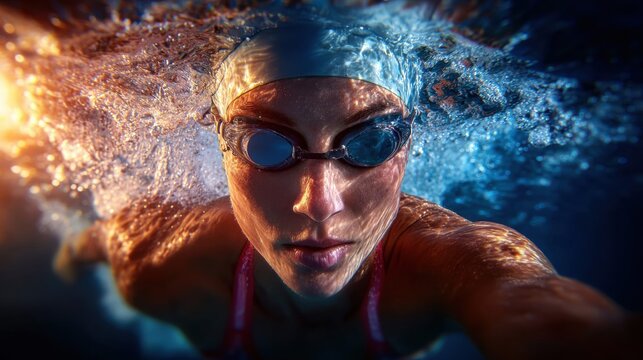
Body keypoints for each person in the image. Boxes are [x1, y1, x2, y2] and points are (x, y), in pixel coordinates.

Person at [57, 23, 641, 359]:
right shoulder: (164, 267)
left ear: (407, 146)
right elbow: (103, 239)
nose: (319, 203)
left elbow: (536, 305)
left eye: (369, 144)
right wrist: (70, 252)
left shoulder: (452, 264)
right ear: (221, 147)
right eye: (266, 145)